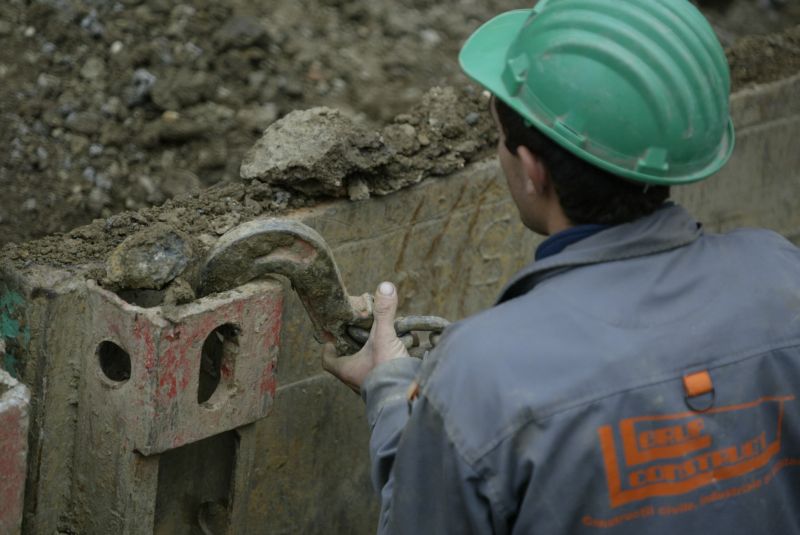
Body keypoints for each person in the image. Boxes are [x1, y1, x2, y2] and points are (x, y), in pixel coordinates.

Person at [323, 0, 800, 533]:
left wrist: (391, 392)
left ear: (532, 171)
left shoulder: (482, 375)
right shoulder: (783, 276)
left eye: (502, 143)